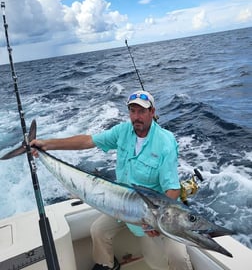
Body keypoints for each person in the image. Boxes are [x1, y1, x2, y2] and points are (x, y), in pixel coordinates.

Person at [31, 90, 193, 270]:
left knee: (168, 260)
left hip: (151, 214)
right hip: (121, 203)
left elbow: (172, 189)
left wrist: (156, 222)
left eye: (142, 111)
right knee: (98, 231)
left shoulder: (165, 142)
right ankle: (108, 265)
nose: (136, 117)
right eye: (132, 111)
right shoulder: (123, 131)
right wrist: (47, 144)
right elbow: (87, 142)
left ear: (152, 112)